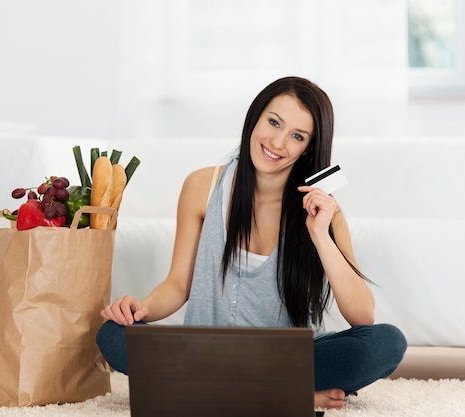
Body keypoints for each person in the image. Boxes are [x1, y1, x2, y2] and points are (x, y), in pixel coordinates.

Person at [96, 76, 407, 410]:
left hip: (279, 360)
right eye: (274, 122)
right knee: (112, 333)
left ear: (309, 148)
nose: (278, 141)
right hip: (205, 352)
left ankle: (215, 391)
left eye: (297, 136)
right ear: (255, 117)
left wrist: (319, 233)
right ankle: (275, 396)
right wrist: (139, 309)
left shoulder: (325, 212)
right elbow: (177, 284)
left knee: (387, 342)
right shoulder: (203, 185)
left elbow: (362, 316)